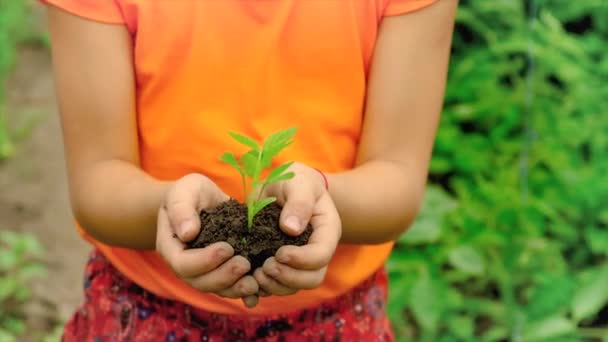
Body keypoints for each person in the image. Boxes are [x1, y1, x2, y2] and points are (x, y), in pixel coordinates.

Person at [41, 0, 457, 340]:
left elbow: (397, 180)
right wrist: (168, 209)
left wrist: (324, 195)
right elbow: (98, 182)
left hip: (333, 316)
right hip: (146, 305)